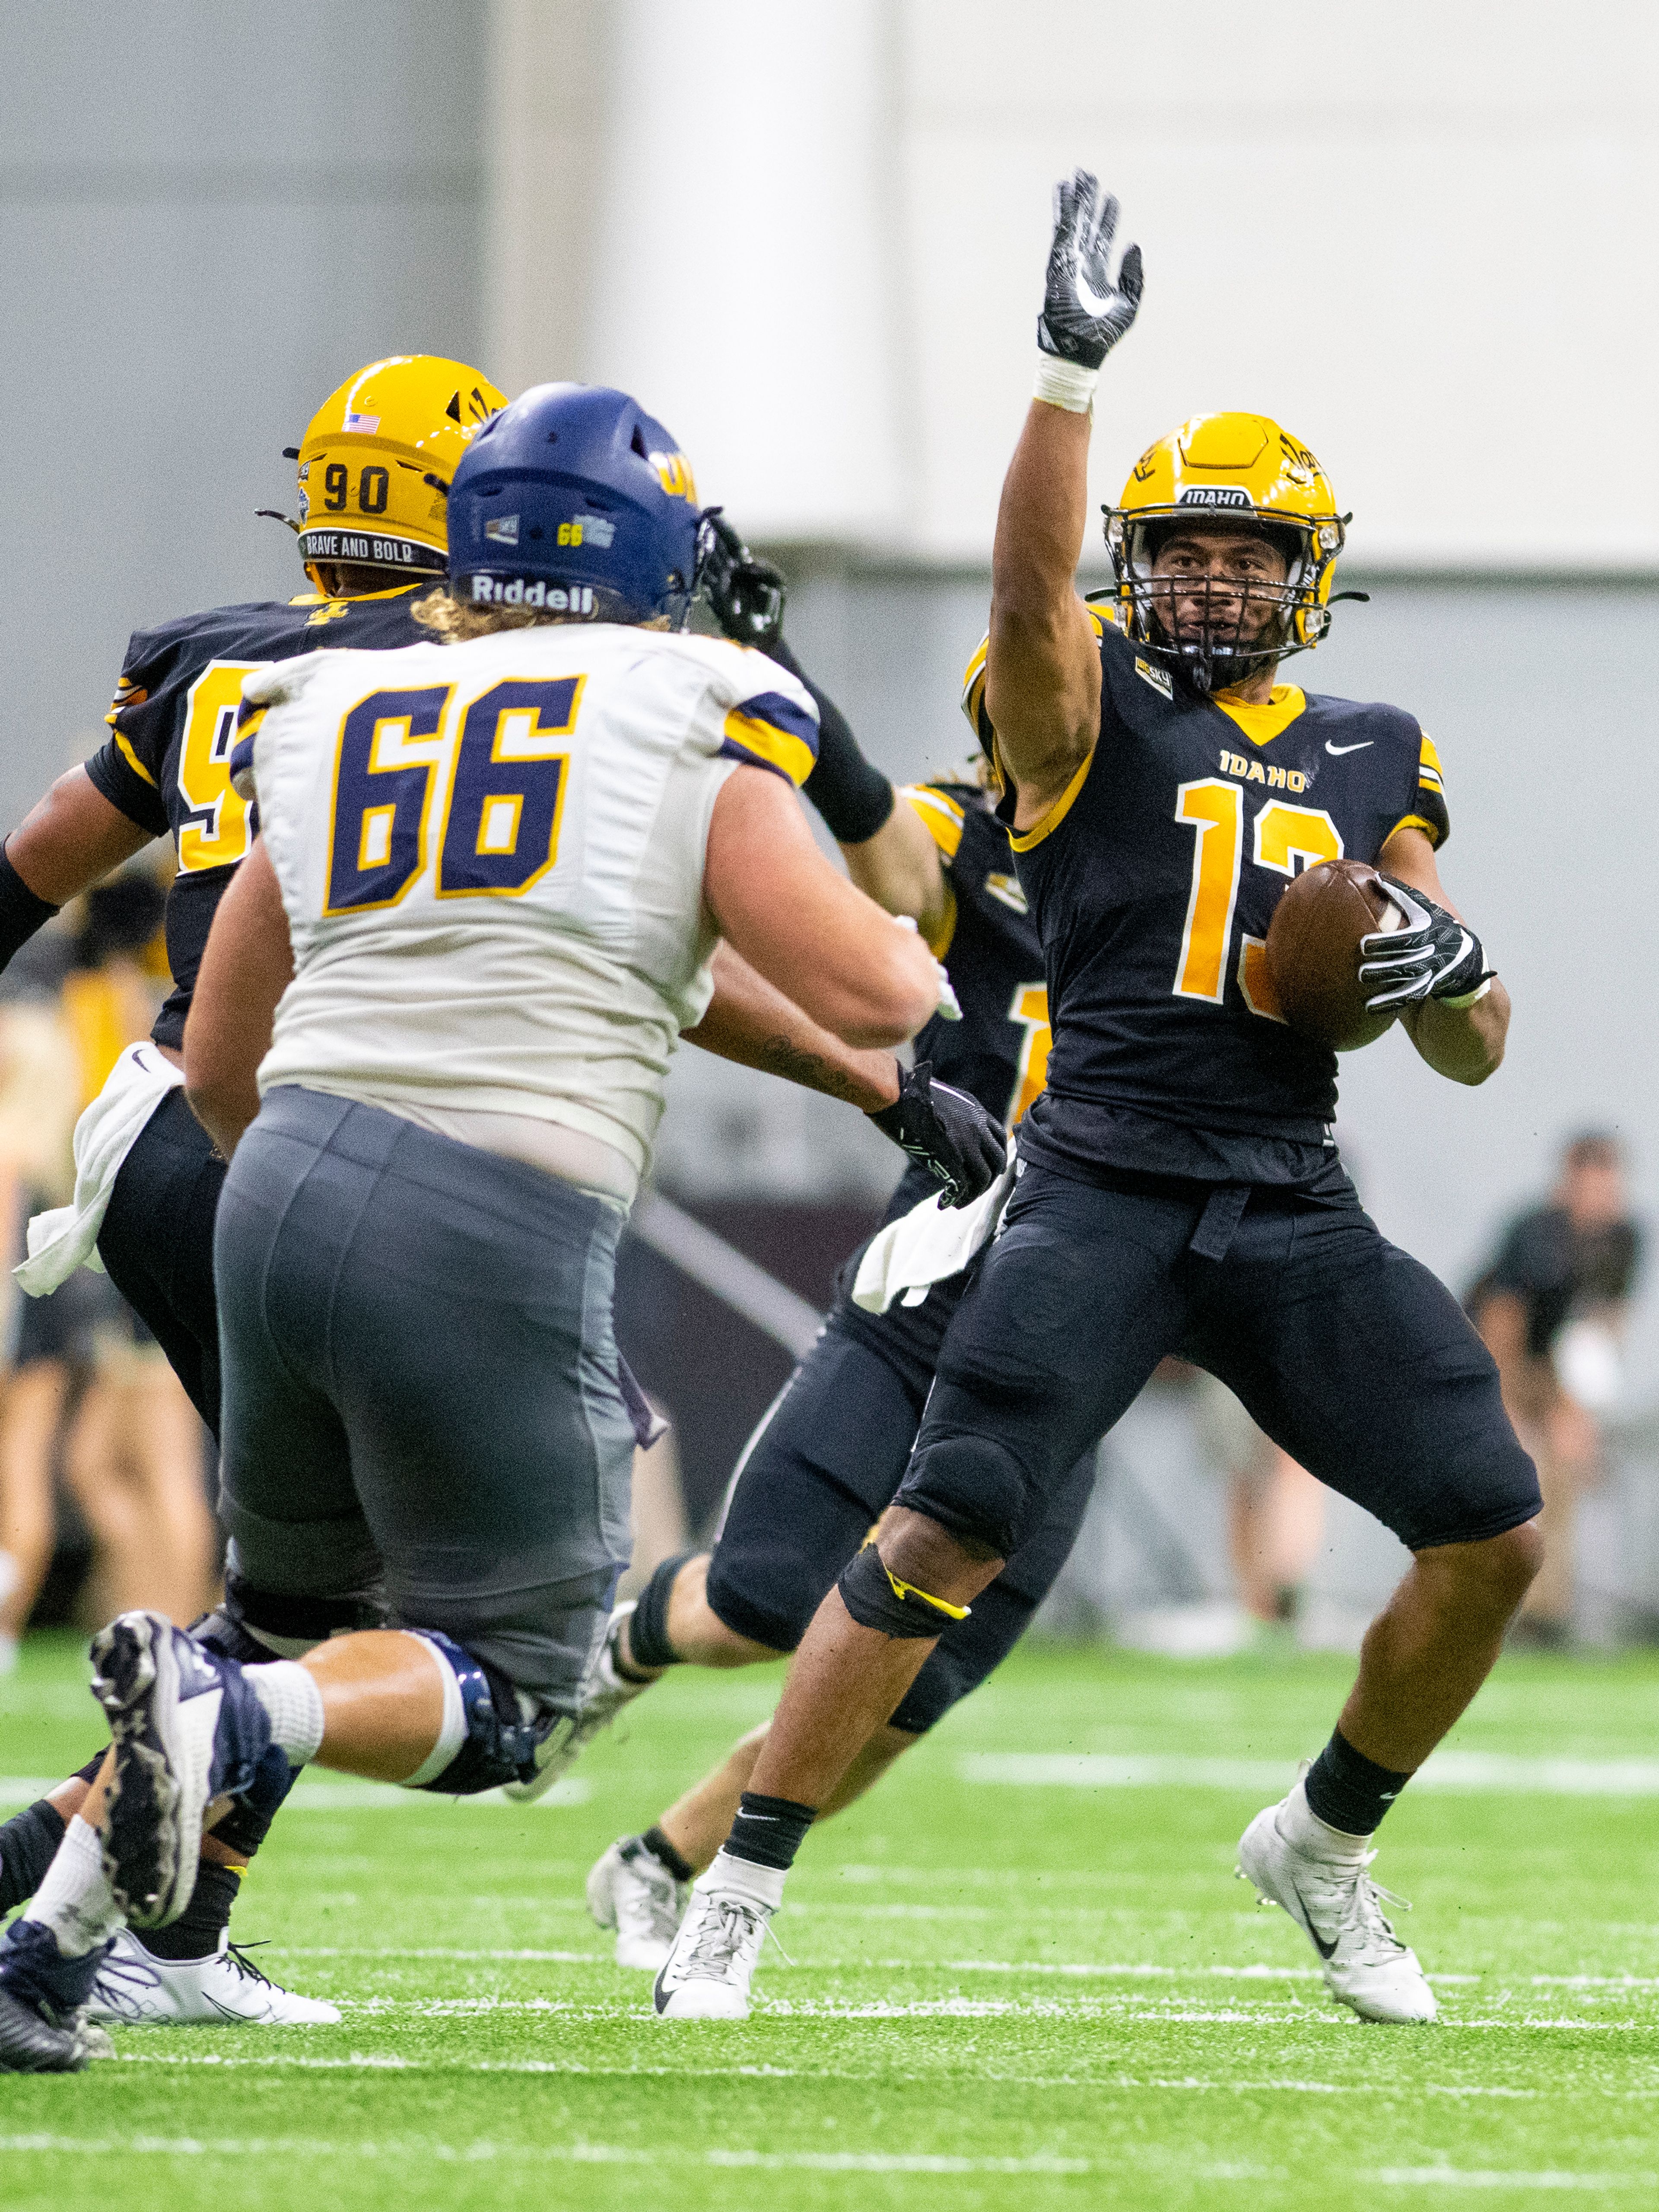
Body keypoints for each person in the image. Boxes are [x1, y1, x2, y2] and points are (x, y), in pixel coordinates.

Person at [652, 171, 1543, 2027]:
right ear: (1139, 562)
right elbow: (1021, 598)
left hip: (1285, 1190)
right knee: (942, 1524)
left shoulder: (1377, 749)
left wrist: (1443, 981)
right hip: (1102, 1181)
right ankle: (737, 1880)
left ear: (1305, 575)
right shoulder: (1073, 707)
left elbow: (1469, 1023)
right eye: (1186, 550)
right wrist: (1065, 377)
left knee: (1494, 1524)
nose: (1214, 578)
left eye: (1247, 553)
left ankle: (1323, 1833)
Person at [0, 379, 955, 2074]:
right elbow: (878, 965)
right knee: (517, 1690)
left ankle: (44, 1950)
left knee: (279, 1604)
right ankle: (233, 1732)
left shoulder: (330, 699)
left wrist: (288, 1179)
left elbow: (222, 1027)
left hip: (266, 1171)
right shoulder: (688, 696)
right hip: (489, 1200)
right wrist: (912, 989)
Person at [0, 353, 508, 2028]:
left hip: (151, 1126)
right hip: (275, 1129)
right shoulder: (462, 669)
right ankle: (96, 1900)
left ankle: (123, 1898)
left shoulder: (225, 651)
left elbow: (37, 865)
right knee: (364, 1582)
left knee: (316, 1574)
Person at [580, 518, 1099, 1969]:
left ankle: (661, 1857)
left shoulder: (1174, 855)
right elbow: (886, 865)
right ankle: (612, 1654)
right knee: (756, 1600)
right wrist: (775, 663)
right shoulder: (969, 831)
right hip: (940, 1283)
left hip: (1084, 1324)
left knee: (916, 1683)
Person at [1468, 1134, 1643, 1643]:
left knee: (1563, 1470)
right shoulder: (1535, 1234)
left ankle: (1546, 1615)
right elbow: (1501, 1325)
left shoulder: (1624, 1238)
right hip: (1497, 1357)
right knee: (1522, 1472)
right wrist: (1506, 1409)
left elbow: (1606, 1322)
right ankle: (1495, 1611)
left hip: (1553, 1369)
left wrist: (1578, 1407)